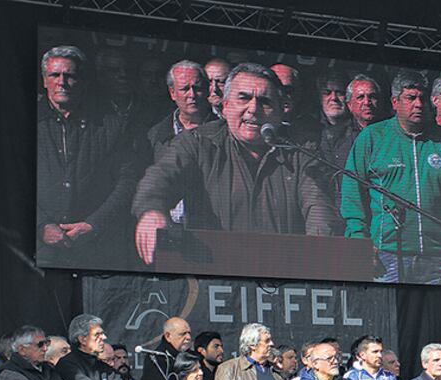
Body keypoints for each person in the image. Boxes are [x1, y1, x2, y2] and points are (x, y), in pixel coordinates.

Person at [132, 63, 338, 265]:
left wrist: (317, 252)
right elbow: (160, 179)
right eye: (243, 98)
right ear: (225, 106)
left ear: (280, 111)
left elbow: (318, 207)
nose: (253, 109)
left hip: (282, 275)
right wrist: (152, 211)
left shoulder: (300, 151)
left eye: (265, 102)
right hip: (210, 272)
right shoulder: (197, 142)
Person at [341, 70, 441, 284]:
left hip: (439, 260)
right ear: (395, 102)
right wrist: (359, 241)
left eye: (422, 97)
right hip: (386, 257)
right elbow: (351, 193)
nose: (419, 104)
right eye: (411, 98)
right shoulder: (372, 137)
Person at [37, 45, 139, 269]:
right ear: (44, 80)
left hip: (96, 249)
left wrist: (93, 224)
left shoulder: (111, 124)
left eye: (70, 75)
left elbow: (127, 181)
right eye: (55, 75)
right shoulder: (25, 121)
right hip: (37, 250)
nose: (62, 82)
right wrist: (40, 225)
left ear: (82, 81)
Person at [146, 60, 216, 161]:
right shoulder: (155, 135)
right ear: (172, 93)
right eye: (185, 89)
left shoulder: (226, 132)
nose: (192, 95)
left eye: (198, 88)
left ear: (207, 90)